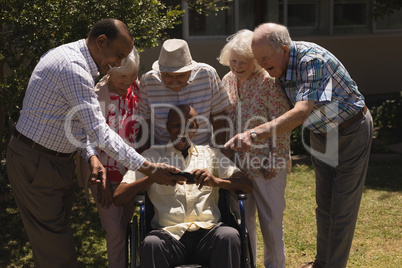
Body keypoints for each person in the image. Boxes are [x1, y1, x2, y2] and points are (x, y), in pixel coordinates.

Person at [6, 19, 183, 268]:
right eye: (118, 55)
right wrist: (149, 168)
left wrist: (90, 156)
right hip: (37, 162)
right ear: (101, 42)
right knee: (59, 253)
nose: (120, 63)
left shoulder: (76, 60)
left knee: (49, 248)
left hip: (53, 162)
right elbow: (99, 132)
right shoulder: (73, 68)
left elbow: (73, 121)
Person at [225, 23, 373, 268]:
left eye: (264, 58)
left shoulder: (312, 61)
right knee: (324, 204)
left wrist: (254, 134)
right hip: (322, 132)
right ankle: (322, 261)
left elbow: (301, 112)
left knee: (342, 207)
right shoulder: (277, 67)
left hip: (350, 131)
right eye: (257, 58)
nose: (260, 64)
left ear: (284, 49)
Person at [113, 104, 253, 268]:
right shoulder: (151, 157)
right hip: (168, 235)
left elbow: (247, 185)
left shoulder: (211, 155)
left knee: (229, 236)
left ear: (197, 127)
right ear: (167, 127)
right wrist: (153, 177)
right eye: (176, 125)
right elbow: (119, 197)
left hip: (209, 234)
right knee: (151, 244)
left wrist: (216, 181)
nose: (183, 131)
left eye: (189, 126)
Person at [218, 29, 291, 268]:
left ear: (255, 62)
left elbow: (283, 124)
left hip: (266, 165)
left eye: (244, 62)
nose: (237, 67)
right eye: (233, 61)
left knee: (271, 223)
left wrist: (276, 160)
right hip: (238, 167)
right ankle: (246, 263)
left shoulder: (268, 83)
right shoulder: (227, 80)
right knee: (242, 221)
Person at [76, 46, 141, 268]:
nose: (129, 80)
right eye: (123, 76)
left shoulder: (137, 89)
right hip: (103, 174)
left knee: (126, 225)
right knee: (114, 231)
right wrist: (99, 180)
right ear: (109, 71)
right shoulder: (97, 96)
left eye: (133, 75)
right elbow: (86, 138)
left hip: (129, 174)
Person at [139, 38, 229, 149]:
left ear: (190, 71)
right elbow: (144, 121)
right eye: (168, 75)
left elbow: (219, 114)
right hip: (162, 152)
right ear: (160, 72)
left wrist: (220, 149)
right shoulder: (148, 81)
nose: (174, 82)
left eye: (180, 75)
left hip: (202, 150)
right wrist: (145, 154)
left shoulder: (208, 75)